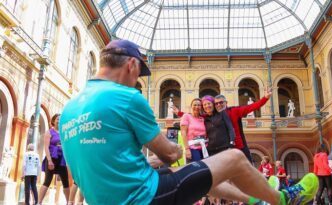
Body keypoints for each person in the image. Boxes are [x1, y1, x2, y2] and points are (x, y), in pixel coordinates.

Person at [59, 39, 318, 205]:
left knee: (179, 173)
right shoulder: (126, 97)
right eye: (139, 71)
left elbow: (85, 169)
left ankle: (253, 200)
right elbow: (171, 154)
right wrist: (179, 149)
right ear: (130, 64)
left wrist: (149, 161)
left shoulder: (69, 110)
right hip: (145, 198)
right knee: (235, 158)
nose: (137, 78)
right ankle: (284, 199)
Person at [214, 88, 271, 163]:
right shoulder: (214, 116)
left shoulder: (234, 111)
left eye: (221, 102)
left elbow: (251, 107)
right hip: (222, 148)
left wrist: (265, 98)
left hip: (237, 147)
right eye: (216, 103)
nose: (219, 105)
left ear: (226, 102)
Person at [38, 114, 69, 204]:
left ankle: (69, 202)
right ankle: (39, 202)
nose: (59, 121)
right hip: (52, 158)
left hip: (61, 159)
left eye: (60, 119)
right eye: (57, 119)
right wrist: (49, 161)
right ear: (54, 121)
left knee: (65, 181)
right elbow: (46, 147)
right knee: (47, 181)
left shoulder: (64, 132)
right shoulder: (49, 132)